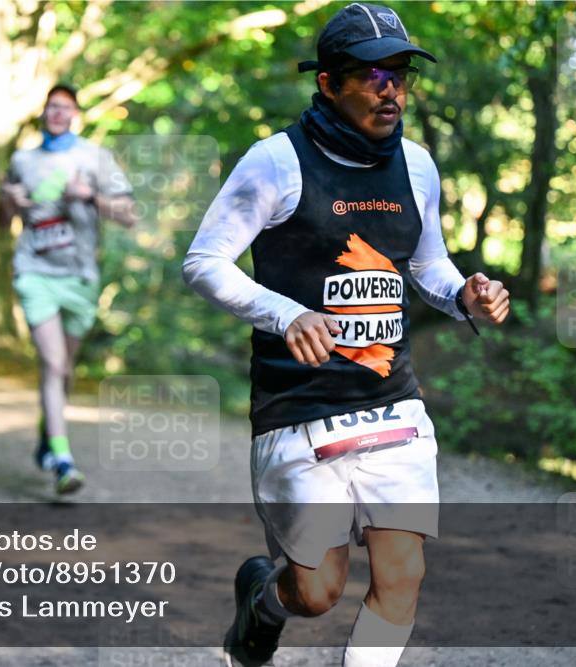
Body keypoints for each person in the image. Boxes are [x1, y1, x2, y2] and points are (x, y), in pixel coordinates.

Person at [183, 4, 510, 666]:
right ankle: (263, 601)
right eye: (371, 74)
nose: (391, 87)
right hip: (299, 411)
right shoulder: (276, 162)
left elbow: (426, 266)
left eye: (400, 72)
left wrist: (466, 296)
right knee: (317, 590)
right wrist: (285, 313)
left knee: (402, 576)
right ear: (328, 83)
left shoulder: (417, 167)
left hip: (393, 405)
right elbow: (203, 262)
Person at [0, 83, 137, 494]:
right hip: (34, 270)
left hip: (79, 278)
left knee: (65, 369)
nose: (57, 113)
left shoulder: (95, 157)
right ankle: (62, 459)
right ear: (43, 112)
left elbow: (129, 215)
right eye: (51, 106)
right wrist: (11, 201)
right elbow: (2, 217)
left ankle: (48, 430)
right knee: (53, 364)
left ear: (75, 113)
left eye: (65, 107)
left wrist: (90, 196)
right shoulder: (22, 159)